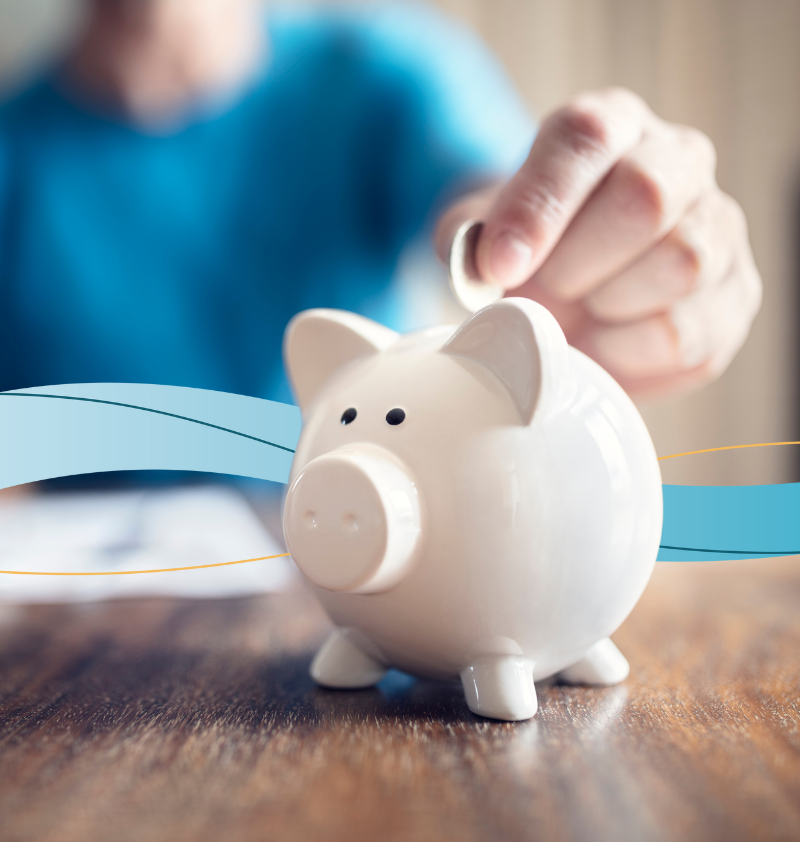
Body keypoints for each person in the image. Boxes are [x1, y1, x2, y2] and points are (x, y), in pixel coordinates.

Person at [0, 0, 761, 413]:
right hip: (82, 631)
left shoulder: (386, 70)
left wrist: (560, 236)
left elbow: (482, 193)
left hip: (377, 554)